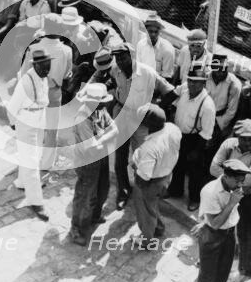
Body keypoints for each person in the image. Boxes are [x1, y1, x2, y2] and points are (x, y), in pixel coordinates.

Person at [110, 42, 177, 210]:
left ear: (132, 56)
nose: (119, 60)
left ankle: (143, 192)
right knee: (120, 158)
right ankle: (123, 190)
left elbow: (170, 91)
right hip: (122, 115)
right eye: (117, 57)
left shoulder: (147, 72)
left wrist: (155, 106)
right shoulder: (115, 70)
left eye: (123, 56)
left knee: (142, 158)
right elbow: (113, 84)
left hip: (141, 120)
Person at [209, 119, 251, 282]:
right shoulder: (228, 145)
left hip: (247, 198)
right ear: (237, 136)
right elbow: (213, 168)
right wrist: (236, 181)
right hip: (225, 192)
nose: (248, 142)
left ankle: (247, 270)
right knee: (221, 227)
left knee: (247, 234)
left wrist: (229, 178)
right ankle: (216, 261)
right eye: (244, 138)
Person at [191, 159, 251, 282]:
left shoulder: (234, 187)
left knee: (223, 273)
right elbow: (216, 223)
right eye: (238, 181)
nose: (240, 185)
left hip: (229, 234)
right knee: (206, 279)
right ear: (226, 176)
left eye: (242, 181)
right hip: (212, 235)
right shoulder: (210, 191)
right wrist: (232, 203)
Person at [20, 13, 73, 170]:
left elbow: (24, 75)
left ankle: (31, 160)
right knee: (51, 130)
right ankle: (47, 164)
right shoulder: (67, 50)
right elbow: (67, 75)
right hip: (54, 94)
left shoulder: (34, 48)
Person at [7, 50, 53, 222]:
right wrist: (14, 124)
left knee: (36, 155)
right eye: (44, 67)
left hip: (40, 118)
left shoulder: (44, 76)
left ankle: (21, 182)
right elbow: (12, 107)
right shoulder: (25, 83)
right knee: (31, 163)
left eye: (49, 67)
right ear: (35, 65)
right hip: (26, 121)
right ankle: (36, 201)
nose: (47, 71)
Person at [70, 83, 118, 246]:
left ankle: (94, 216)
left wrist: (101, 139)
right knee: (84, 195)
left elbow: (115, 130)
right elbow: (91, 147)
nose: (106, 104)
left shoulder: (100, 111)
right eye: (102, 101)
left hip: (101, 157)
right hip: (86, 162)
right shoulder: (82, 118)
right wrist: (105, 138)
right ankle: (76, 229)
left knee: (102, 188)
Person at [130, 104, 182, 248]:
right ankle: (158, 228)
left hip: (151, 182)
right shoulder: (173, 128)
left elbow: (143, 177)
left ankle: (147, 241)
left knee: (145, 211)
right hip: (166, 175)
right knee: (152, 206)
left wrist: (135, 167)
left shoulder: (150, 147)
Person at [168, 64, 216, 211]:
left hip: (196, 140)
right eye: (190, 80)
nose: (192, 84)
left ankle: (194, 199)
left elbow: (207, 132)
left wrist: (197, 151)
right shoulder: (184, 89)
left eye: (196, 81)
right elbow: (170, 96)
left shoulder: (207, 105)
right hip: (179, 135)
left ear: (204, 83)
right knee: (177, 165)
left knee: (195, 172)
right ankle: (175, 191)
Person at [206, 54, 242, 152]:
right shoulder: (205, 77)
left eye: (224, 68)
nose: (221, 72)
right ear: (212, 67)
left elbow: (231, 111)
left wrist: (217, 124)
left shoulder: (234, 84)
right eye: (218, 68)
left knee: (208, 146)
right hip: (201, 114)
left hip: (218, 120)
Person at [136, 12, 175, 81]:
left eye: (156, 31)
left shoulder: (167, 49)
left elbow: (167, 77)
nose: (153, 34)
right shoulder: (140, 44)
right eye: (150, 31)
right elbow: (137, 67)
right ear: (146, 30)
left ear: (160, 31)